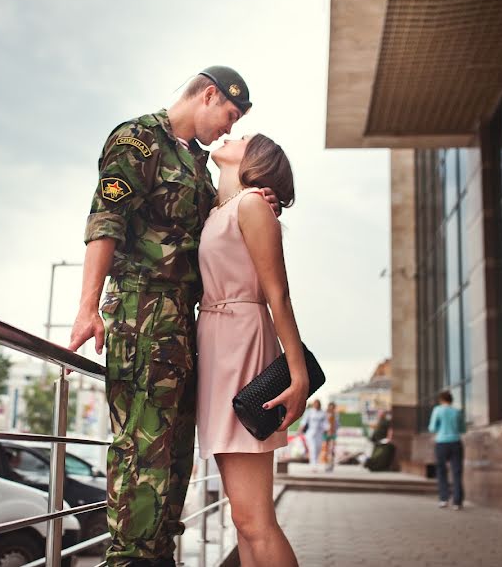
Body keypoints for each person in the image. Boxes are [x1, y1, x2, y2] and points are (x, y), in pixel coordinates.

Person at [68, 66, 280, 566]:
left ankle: (159, 555)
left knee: (174, 454)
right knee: (142, 450)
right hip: (143, 311)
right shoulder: (138, 140)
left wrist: (257, 196)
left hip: (185, 324)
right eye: (228, 115)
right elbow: (107, 219)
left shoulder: (198, 167)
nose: (228, 129)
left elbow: (218, 232)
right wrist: (87, 305)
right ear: (208, 95)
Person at [196, 133, 306, 567]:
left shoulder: (251, 206)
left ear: (256, 160)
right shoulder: (219, 210)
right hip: (219, 346)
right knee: (242, 518)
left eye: (243, 137)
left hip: (242, 343)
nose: (230, 135)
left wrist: (297, 375)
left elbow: (279, 294)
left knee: (255, 519)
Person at [429, 390, 466, 510]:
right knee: (457, 472)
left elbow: (432, 427)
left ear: (441, 400)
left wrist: (441, 427)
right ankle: (457, 502)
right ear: (451, 400)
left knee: (441, 471)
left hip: (441, 443)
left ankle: (443, 499)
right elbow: (463, 429)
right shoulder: (457, 412)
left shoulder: (438, 410)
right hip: (456, 443)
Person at [297, 399, 329, 471]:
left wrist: (327, 429)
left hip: (319, 433)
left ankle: (315, 462)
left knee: (318, 448)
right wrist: (300, 430)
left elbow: (325, 423)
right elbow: (304, 422)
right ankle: (313, 465)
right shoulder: (309, 412)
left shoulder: (323, 413)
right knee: (313, 448)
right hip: (310, 433)